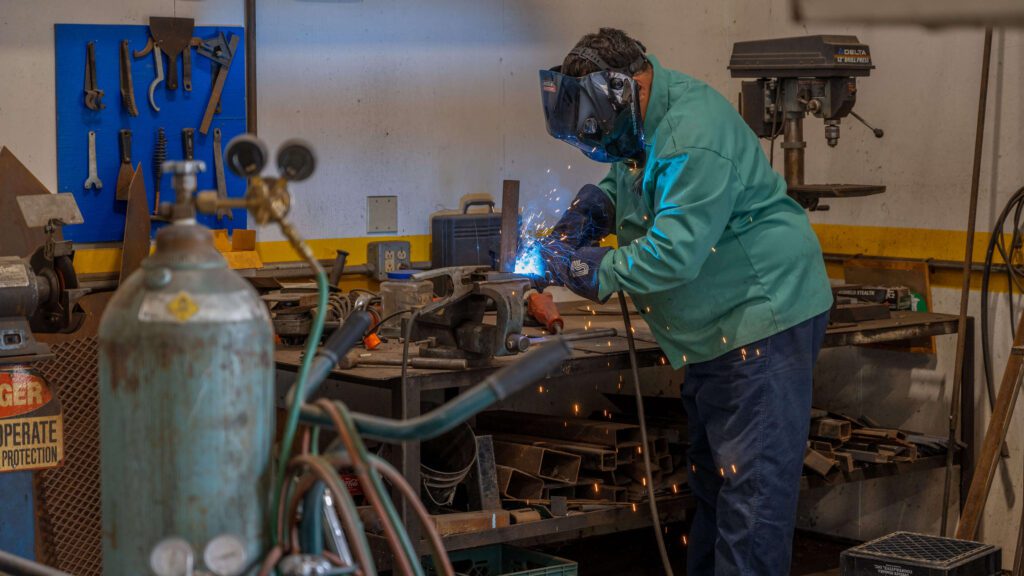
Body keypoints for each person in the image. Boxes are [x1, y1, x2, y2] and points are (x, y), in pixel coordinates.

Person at [535, 28, 834, 575]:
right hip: (713, 330)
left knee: (753, 498)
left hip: (761, 318)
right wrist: (598, 203)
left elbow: (673, 255)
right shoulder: (645, 120)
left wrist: (593, 268)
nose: (600, 140)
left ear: (630, 88)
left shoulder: (693, 134)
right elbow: (636, 172)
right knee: (716, 489)